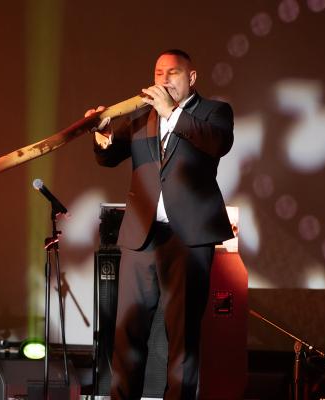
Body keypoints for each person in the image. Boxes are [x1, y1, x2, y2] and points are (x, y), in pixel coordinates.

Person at [86, 49, 234, 400]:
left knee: (182, 335)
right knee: (127, 333)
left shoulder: (213, 112)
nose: (164, 80)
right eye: (158, 73)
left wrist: (172, 112)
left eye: (173, 73)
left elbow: (218, 143)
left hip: (189, 239)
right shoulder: (143, 114)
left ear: (191, 78)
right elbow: (110, 156)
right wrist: (102, 132)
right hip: (142, 236)